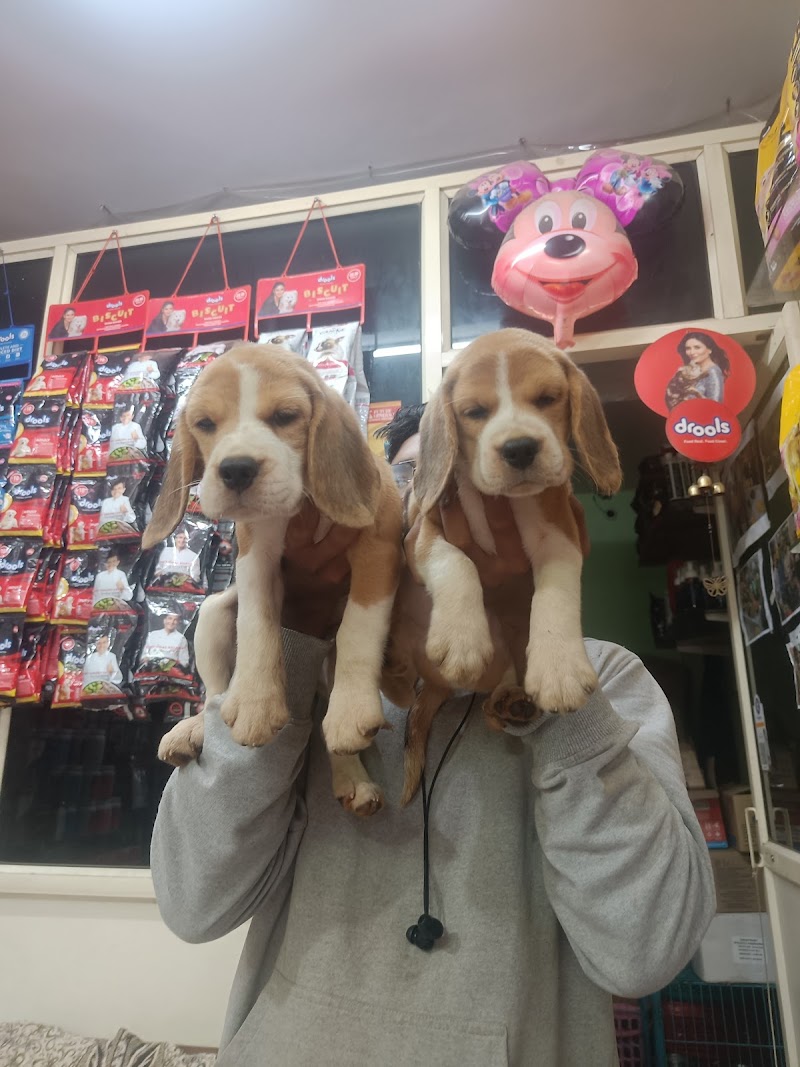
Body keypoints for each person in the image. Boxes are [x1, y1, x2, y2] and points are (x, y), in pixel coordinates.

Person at [151, 406, 715, 1066]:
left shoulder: (606, 680)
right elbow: (193, 904)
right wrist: (287, 643)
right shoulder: (305, 674)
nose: (439, 502)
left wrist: (540, 659)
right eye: (411, 475)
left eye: (466, 479)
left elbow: (646, 950)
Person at [665, 331, 730, 409]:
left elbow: (715, 406)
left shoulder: (713, 371)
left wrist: (697, 394)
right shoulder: (690, 370)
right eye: (688, 348)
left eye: (697, 347)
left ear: (709, 350)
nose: (692, 352)